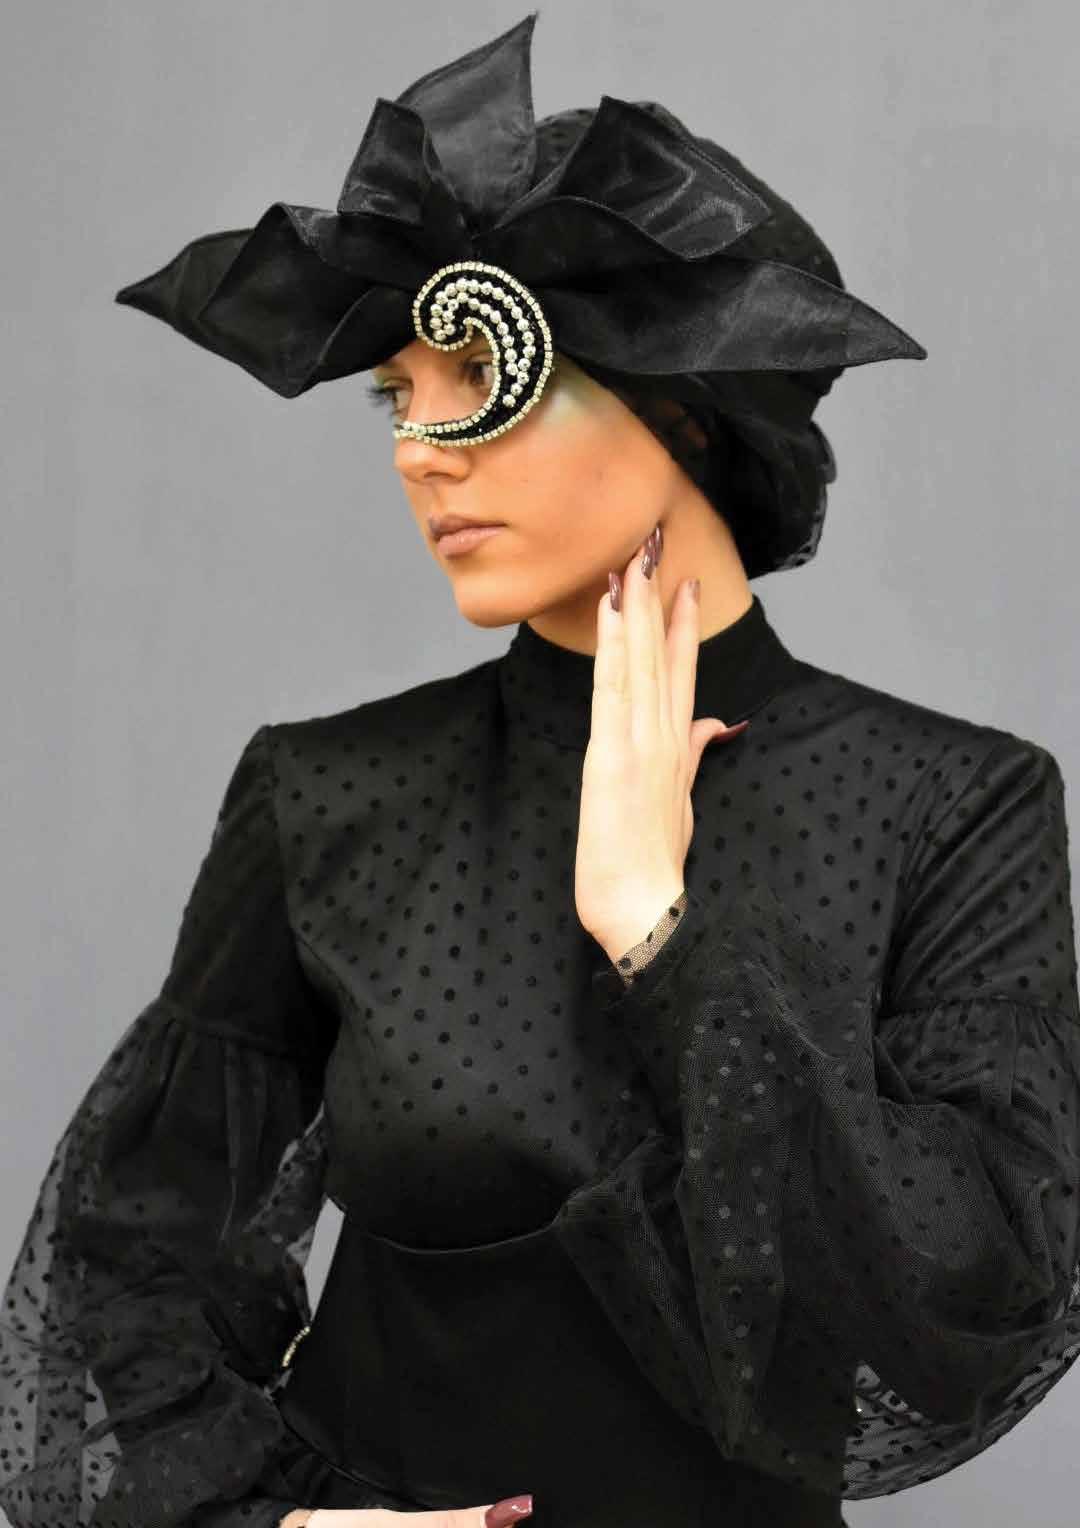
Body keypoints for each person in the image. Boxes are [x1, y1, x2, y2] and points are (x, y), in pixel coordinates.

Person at [2, 12, 1078, 1528]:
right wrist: (276, 1524)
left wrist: (661, 935)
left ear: (682, 402)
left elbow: (972, 1287)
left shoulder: (951, 803)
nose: (419, 450)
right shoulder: (330, 793)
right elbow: (129, 1256)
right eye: (398, 397)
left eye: (478, 376)